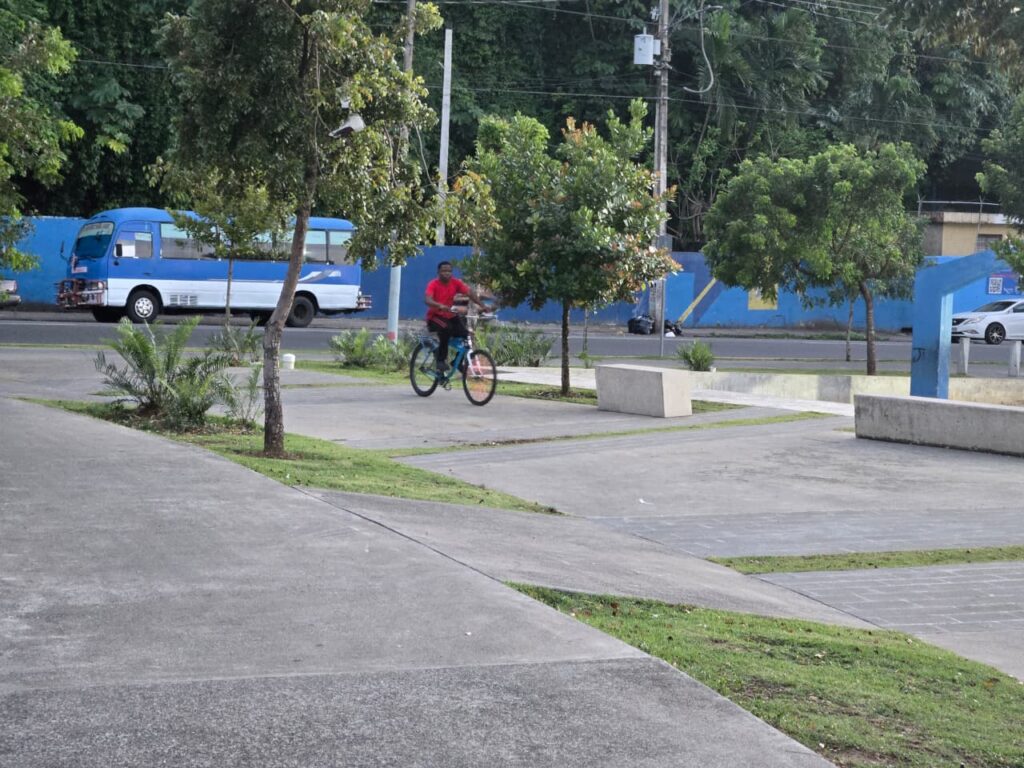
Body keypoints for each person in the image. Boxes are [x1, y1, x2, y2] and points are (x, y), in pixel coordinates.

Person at [424, 261, 489, 372]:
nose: (447, 273)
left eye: (449, 271)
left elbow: (469, 293)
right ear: (438, 272)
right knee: (446, 329)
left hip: (450, 316)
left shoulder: (455, 283)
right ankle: (440, 361)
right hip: (435, 317)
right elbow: (427, 300)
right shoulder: (433, 284)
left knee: (466, 335)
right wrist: (439, 305)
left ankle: (457, 362)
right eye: (444, 271)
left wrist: (482, 305)